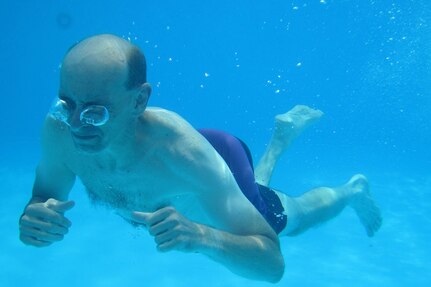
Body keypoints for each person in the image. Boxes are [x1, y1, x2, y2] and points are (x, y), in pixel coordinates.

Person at [18, 34, 382, 282]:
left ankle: (351, 190)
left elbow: (273, 266)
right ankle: (280, 140)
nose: (78, 123)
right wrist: (34, 217)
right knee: (252, 192)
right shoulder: (60, 129)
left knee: (292, 217)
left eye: (96, 112)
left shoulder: (182, 158)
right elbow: (46, 192)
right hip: (193, 173)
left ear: (139, 101)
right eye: (67, 104)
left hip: (211, 159)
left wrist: (201, 236)